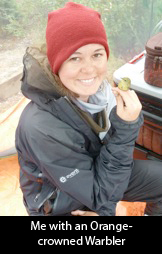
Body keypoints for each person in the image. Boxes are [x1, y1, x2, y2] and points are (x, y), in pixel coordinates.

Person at [15, 2, 162, 216]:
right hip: (59, 197)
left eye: (97, 54)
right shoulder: (41, 127)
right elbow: (99, 197)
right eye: (74, 58)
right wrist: (125, 128)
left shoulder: (99, 94)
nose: (89, 69)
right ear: (57, 63)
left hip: (98, 169)